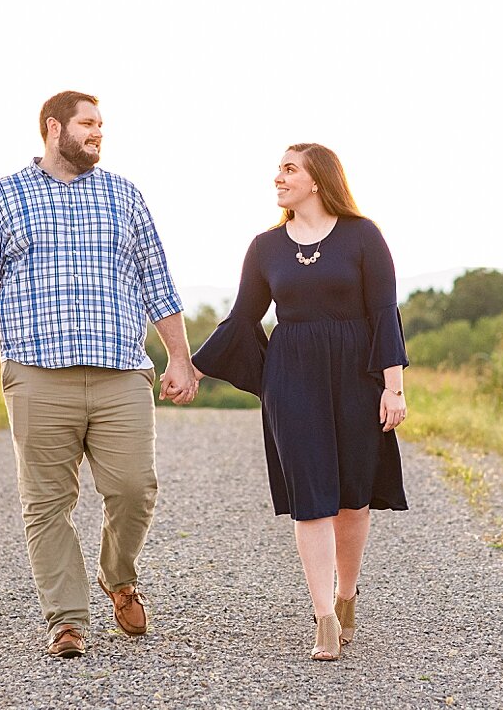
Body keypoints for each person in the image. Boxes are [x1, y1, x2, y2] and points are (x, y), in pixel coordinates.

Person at [0, 90, 200, 659]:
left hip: (121, 374)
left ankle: (117, 575)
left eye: (101, 125)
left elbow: (158, 283)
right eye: (88, 124)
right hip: (37, 376)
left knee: (135, 488)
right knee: (46, 504)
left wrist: (179, 357)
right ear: (52, 127)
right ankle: (66, 620)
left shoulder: (124, 196)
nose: (98, 133)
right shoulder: (3, 198)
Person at [191, 142, 409, 662]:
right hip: (292, 378)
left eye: (289, 169)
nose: (278, 178)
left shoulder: (363, 236)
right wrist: (193, 366)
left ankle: (347, 594)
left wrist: (393, 386)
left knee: (352, 499)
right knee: (311, 497)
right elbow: (243, 319)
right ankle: (324, 618)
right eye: (279, 169)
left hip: (358, 375)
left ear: (317, 179)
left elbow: (384, 313)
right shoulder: (265, 247)